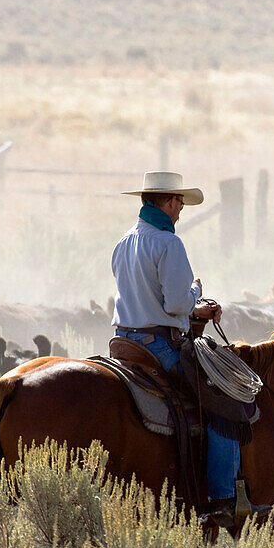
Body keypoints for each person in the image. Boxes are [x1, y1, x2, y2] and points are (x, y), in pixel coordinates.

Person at [112, 171, 237, 526]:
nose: (181, 208)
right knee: (223, 403)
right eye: (179, 201)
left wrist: (187, 304)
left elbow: (146, 298)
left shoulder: (123, 243)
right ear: (168, 202)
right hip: (160, 345)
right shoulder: (169, 244)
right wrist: (196, 295)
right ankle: (223, 499)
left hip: (125, 342)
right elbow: (176, 304)